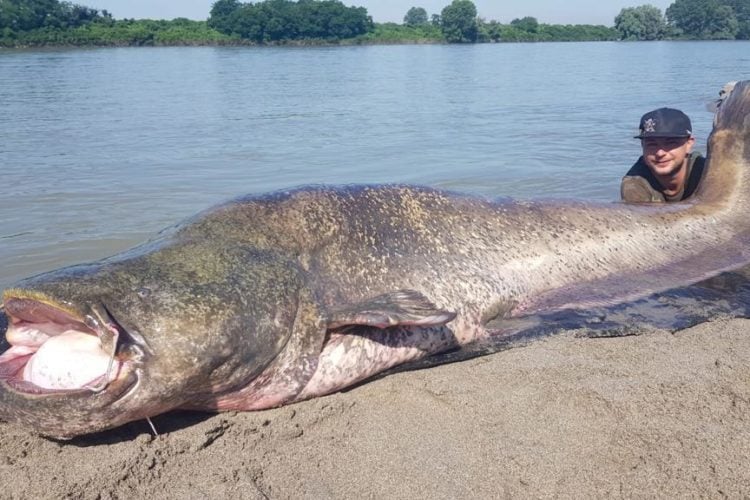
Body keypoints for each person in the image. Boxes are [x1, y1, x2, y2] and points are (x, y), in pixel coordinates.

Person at [620, 107, 705, 203]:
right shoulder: (635, 184)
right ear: (642, 146)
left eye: (670, 143)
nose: (660, 153)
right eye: (652, 144)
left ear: (689, 143)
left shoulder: (708, 172)